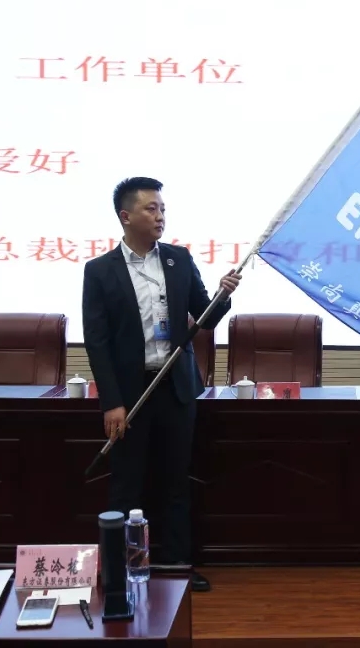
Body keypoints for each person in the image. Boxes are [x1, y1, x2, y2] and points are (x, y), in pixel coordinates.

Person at [82, 176, 241, 592]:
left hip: (175, 389)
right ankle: (121, 571)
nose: (160, 216)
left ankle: (176, 567)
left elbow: (203, 318)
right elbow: (97, 341)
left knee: (174, 482)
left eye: (163, 209)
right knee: (127, 484)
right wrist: (111, 402)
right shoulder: (100, 271)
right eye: (151, 209)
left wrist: (222, 296)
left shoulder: (178, 259)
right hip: (131, 395)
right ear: (126, 216)